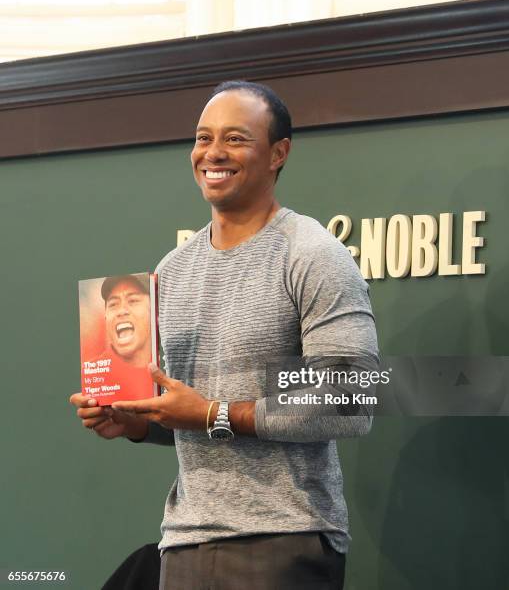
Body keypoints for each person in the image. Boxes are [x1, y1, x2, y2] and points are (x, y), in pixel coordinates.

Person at [70, 80, 379, 589]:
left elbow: (350, 396)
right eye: (203, 137)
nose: (213, 152)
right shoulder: (171, 270)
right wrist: (136, 423)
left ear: (278, 153)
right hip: (185, 541)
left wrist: (214, 415)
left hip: (284, 539)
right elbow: (187, 412)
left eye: (235, 138)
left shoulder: (311, 253)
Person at [80, 274, 153, 403]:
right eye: (113, 304)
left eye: (133, 301)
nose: (122, 311)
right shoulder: (95, 373)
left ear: (153, 310)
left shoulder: (174, 366)